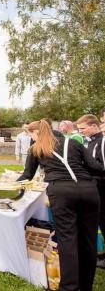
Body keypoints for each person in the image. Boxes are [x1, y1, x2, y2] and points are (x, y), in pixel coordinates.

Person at [18, 119, 104, 291]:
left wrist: (9, 186)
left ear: (36, 133)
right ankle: (86, 285)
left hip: (61, 193)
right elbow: (97, 167)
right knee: (88, 240)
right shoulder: (73, 142)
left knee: (67, 240)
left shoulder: (36, 148)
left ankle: (69, 287)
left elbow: (27, 176)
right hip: (88, 191)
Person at [76, 114, 105, 269]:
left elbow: (101, 166)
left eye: (83, 128)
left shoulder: (102, 142)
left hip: (101, 186)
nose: (80, 132)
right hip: (94, 185)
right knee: (101, 220)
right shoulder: (90, 142)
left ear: (94, 126)